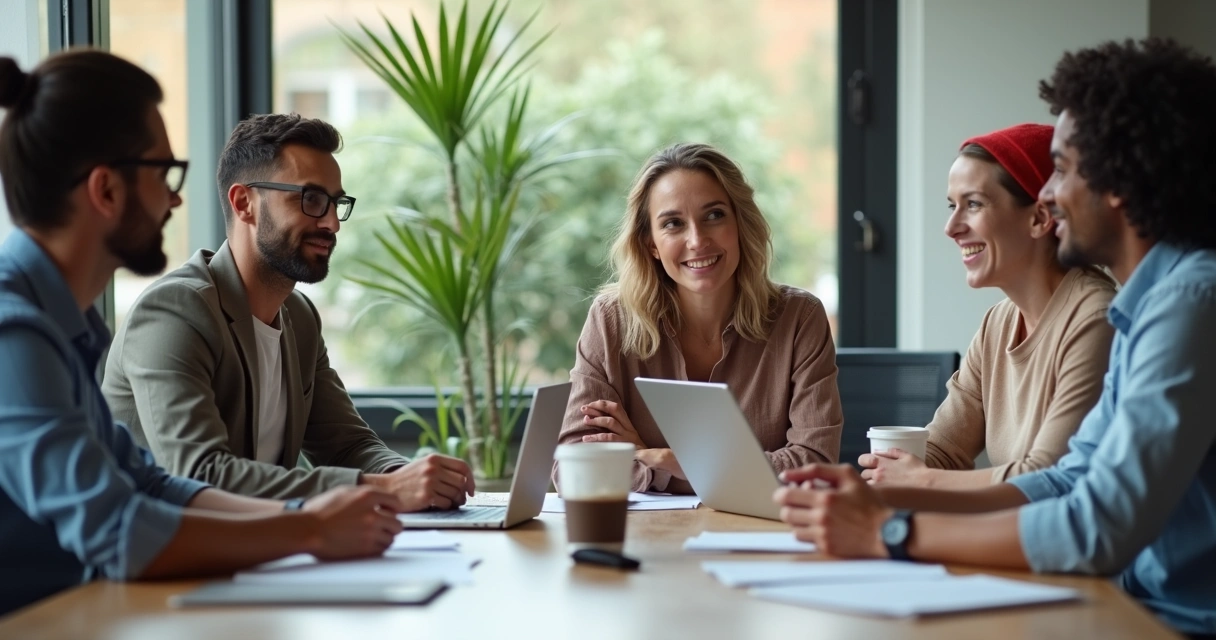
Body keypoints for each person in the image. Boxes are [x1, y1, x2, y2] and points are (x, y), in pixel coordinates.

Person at [772, 38, 1216, 637]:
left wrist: (889, 532)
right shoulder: (1145, 307)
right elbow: (1068, 479)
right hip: (1134, 606)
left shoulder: (1189, 304)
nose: (1050, 194)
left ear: (1119, 179)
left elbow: (1097, 526)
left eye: (1063, 169)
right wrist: (882, 501)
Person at [0, 51, 404, 616]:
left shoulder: (66, 325)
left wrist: (312, 517)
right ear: (106, 190)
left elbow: (151, 485)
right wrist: (309, 531)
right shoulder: (14, 332)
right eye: (163, 174)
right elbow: (118, 531)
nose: (175, 198)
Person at [101, 113, 475, 510]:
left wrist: (415, 480)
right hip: (156, 547)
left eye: (335, 203)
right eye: (311, 199)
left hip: (260, 543)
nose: (332, 223)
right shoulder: (175, 312)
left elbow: (347, 446)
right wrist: (384, 489)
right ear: (244, 203)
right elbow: (201, 475)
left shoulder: (299, 317)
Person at [556, 143, 843, 494]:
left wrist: (662, 459)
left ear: (740, 223)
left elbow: (816, 466)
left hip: (758, 528)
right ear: (651, 244)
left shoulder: (800, 318)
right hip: (649, 530)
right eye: (673, 223)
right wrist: (668, 468)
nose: (697, 240)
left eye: (714, 215)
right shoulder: (610, 321)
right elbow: (573, 470)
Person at [859, 124, 1115, 488]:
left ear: (1040, 218)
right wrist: (888, 471)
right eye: (953, 206)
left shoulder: (1096, 319)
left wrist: (922, 480)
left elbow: (1047, 479)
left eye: (974, 204)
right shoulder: (997, 323)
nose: (951, 227)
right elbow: (944, 450)